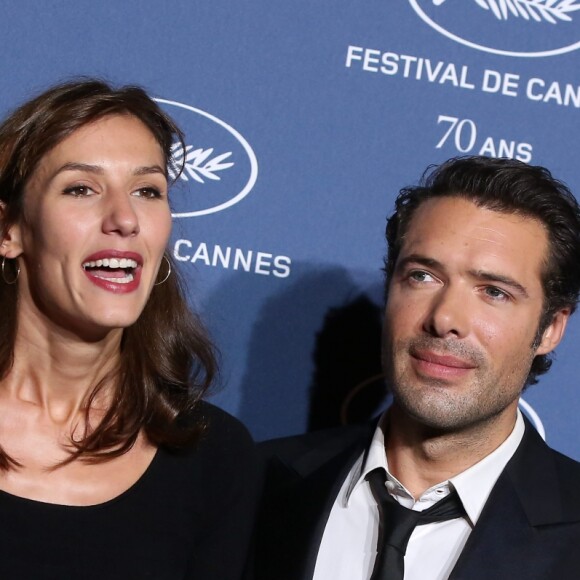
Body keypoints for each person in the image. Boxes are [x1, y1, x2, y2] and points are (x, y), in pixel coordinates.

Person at [253, 156, 580, 580]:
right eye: (423, 276)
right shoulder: (255, 485)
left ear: (551, 328)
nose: (445, 318)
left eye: (494, 292)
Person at [0, 78, 258, 579]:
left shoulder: (213, 458)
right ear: (10, 231)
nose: (124, 218)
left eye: (147, 190)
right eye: (81, 188)